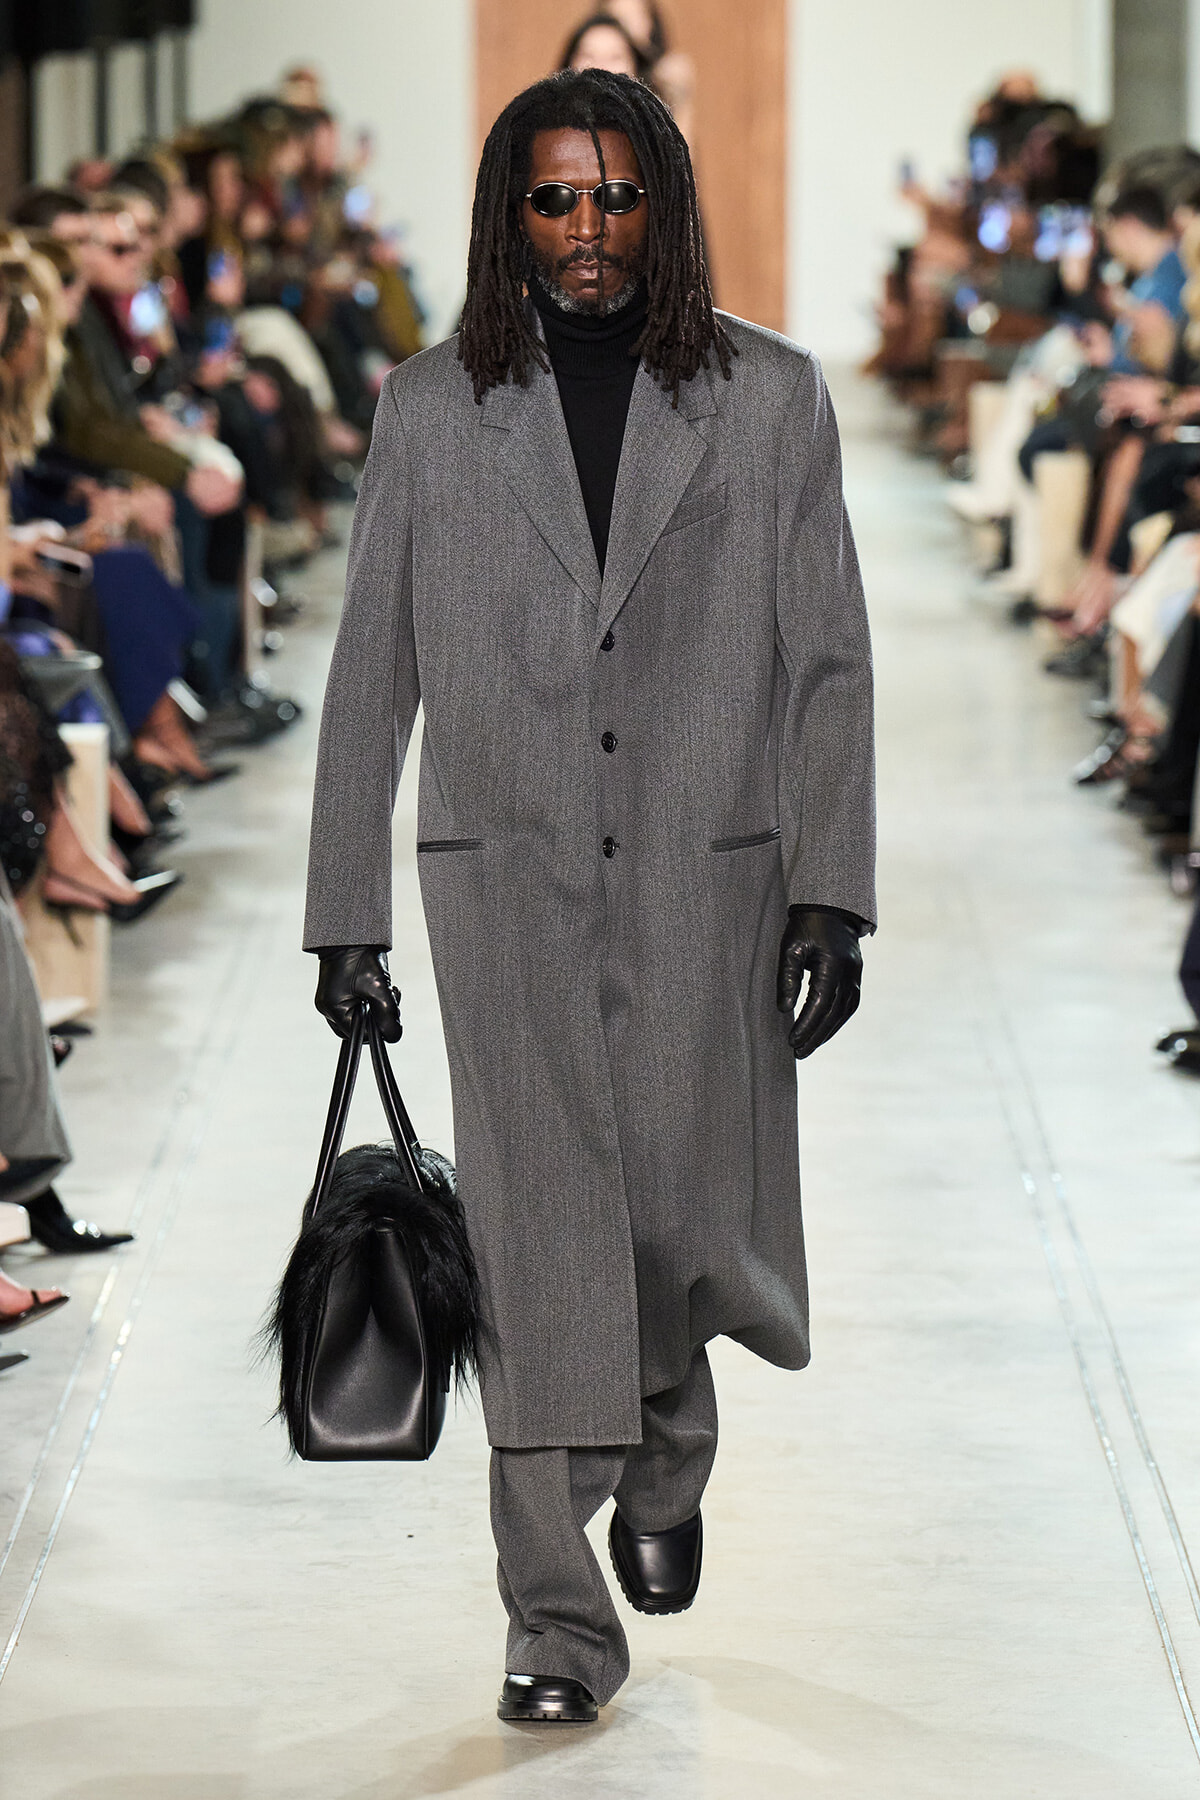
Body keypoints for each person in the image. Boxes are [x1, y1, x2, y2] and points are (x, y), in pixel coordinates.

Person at [304, 68, 874, 1725]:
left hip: (711, 866)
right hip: (510, 879)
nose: (588, 230)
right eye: (555, 198)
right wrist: (348, 914)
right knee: (541, 1239)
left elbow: (828, 663)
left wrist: (831, 893)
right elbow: (368, 674)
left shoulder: (771, 400)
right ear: (511, 214)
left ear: (664, 209)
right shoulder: (430, 411)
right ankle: (555, 1622)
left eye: (619, 197)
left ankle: (670, 1435)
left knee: (681, 1213)